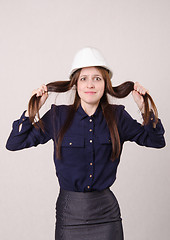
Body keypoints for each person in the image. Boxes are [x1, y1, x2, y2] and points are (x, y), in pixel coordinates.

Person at [6, 47, 166, 240]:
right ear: (75, 84)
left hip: (106, 214)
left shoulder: (117, 117)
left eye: (97, 78)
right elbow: (14, 142)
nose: (90, 84)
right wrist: (33, 109)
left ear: (106, 84)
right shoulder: (58, 116)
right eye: (84, 78)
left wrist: (144, 108)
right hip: (70, 214)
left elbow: (157, 141)